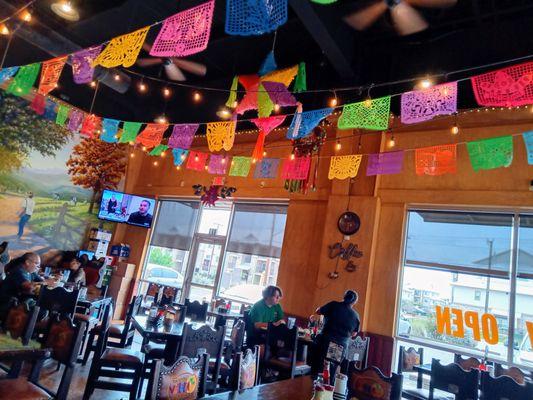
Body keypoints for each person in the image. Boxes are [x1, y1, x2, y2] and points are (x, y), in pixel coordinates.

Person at [310, 290, 361, 376]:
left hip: (325, 341)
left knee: (317, 371)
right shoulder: (355, 315)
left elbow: (318, 311)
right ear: (355, 302)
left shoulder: (334, 305)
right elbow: (354, 334)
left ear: (344, 296)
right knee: (329, 373)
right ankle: (327, 388)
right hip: (339, 345)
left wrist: (319, 309)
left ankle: (312, 386)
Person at [0, 252, 41, 317]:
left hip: (18, 302)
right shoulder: (18, 271)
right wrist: (45, 283)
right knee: (38, 310)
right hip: (7, 304)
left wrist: (53, 281)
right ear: (27, 262)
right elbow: (28, 287)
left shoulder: (31, 273)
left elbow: (42, 281)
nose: (38, 267)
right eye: (36, 264)